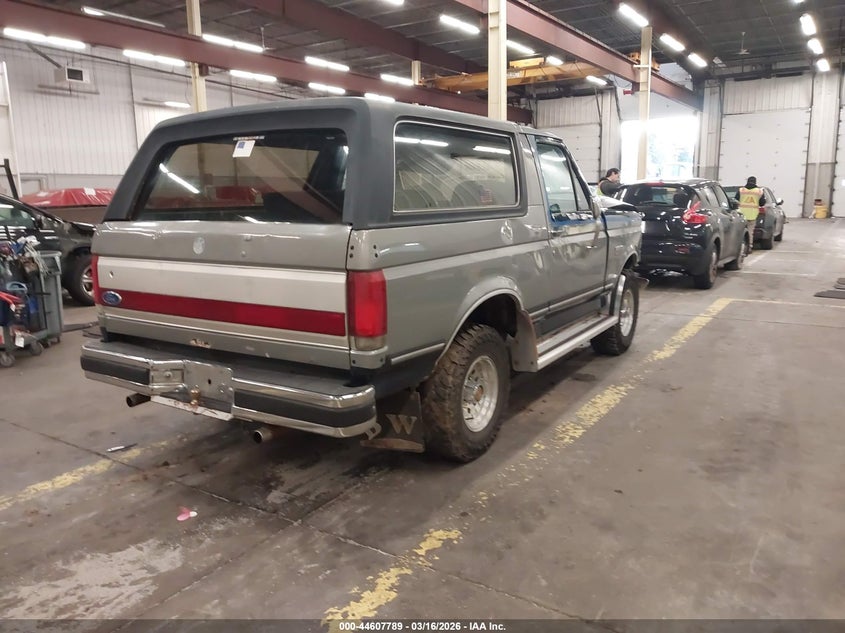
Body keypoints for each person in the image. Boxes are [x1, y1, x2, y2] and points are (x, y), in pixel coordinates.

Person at [735, 176, 766, 251]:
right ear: (755, 182)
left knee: (740, 231)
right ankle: (749, 247)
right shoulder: (759, 191)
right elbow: (762, 203)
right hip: (752, 214)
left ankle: (739, 247)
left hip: (741, 214)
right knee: (749, 232)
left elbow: (735, 200)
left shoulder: (741, 190)